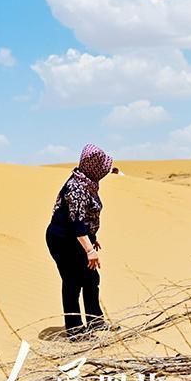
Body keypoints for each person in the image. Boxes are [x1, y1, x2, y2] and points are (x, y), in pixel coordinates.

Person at [46, 144, 115, 340]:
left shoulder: (86, 183)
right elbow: (76, 222)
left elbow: (85, 219)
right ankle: (75, 331)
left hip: (79, 239)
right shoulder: (76, 187)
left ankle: (95, 321)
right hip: (64, 241)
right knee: (72, 282)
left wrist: (93, 238)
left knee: (91, 279)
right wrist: (89, 250)